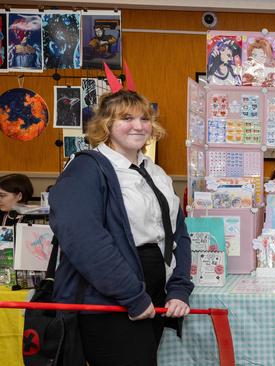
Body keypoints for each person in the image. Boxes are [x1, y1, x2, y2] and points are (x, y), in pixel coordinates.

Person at [49, 88, 193, 366]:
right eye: (127, 118)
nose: (139, 126)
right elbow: (84, 240)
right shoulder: (86, 169)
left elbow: (178, 234)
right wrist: (132, 296)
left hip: (153, 297)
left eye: (145, 118)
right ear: (106, 124)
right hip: (108, 301)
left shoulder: (155, 171)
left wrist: (178, 287)